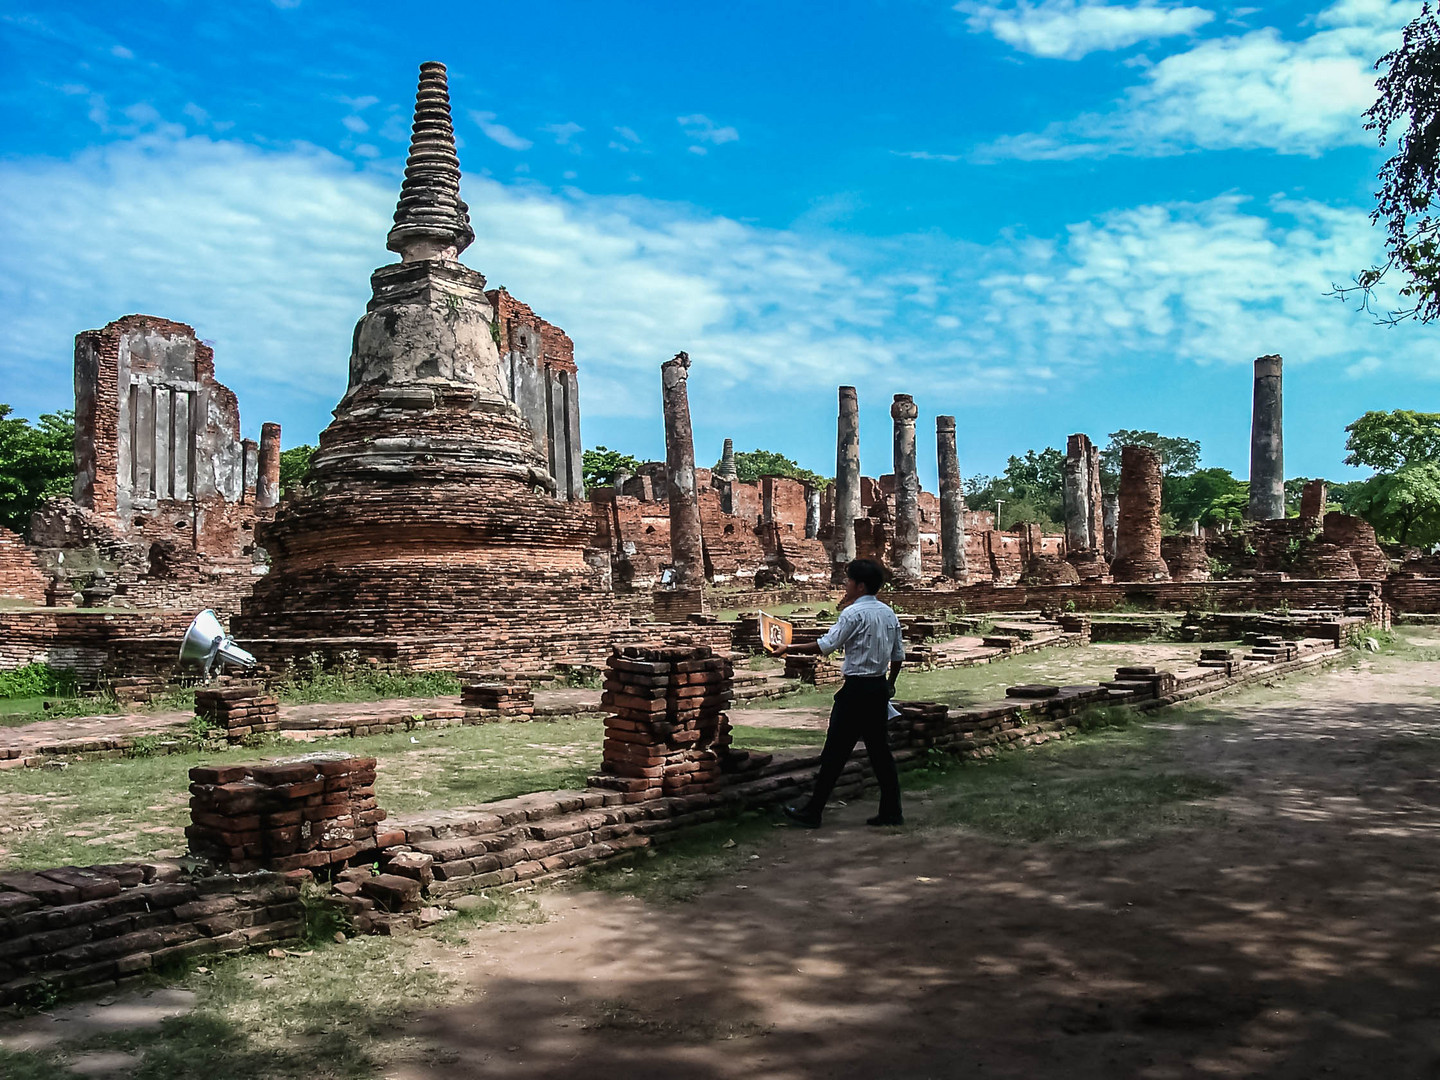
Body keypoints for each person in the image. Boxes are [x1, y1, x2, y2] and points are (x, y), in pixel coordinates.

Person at [774, 557, 905, 828]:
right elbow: (898, 655)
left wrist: (789, 648)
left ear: (859, 586)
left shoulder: (853, 613)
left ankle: (813, 811)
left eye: (848, 581)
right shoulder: (888, 613)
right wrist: (891, 683)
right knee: (880, 752)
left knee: (835, 752)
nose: (845, 585)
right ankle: (892, 811)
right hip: (878, 687)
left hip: (856, 690)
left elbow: (826, 645)